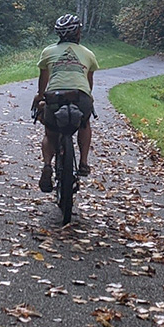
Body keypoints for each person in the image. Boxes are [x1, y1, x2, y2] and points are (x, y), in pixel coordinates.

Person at [31, 14, 99, 193]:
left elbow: (43, 79)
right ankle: (83, 162)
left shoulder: (48, 52)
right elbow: (88, 82)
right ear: (77, 32)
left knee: (50, 132)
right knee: (84, 123)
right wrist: (87, 97)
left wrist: (39, 96)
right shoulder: (88, 54)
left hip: (54, 96)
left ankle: (47, 165)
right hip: (80, 96)